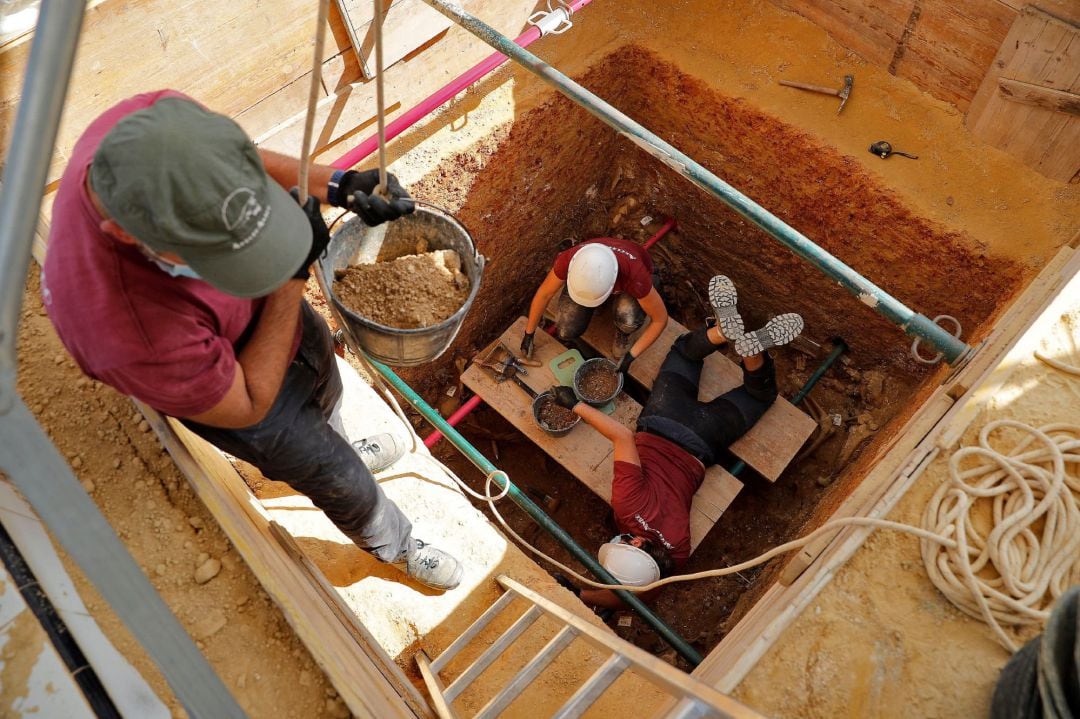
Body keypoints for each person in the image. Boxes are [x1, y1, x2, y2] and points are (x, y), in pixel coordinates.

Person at [41, 90, 463, 591]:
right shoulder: (123, 330)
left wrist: (340, 184)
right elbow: (250, 404)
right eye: (217, 254)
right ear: (130, 237)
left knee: (328, 390)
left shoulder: (147, 127)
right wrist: (290, 276)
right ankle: (396, 546)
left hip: (269, 313)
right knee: (342, 482)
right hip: (247, 394)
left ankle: (345, 443)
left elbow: (242, 160)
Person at [551, 276, 803, 607]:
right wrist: (574, 404)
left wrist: (579, 594)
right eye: (622, 541)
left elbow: (634, 596)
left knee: (759, 394)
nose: (618, 537)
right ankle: (722, 333)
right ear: (638, 545)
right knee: (685, 352)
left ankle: (750, 353)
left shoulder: (677, 555)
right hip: (664, 417)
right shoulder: (628, 508)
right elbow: (623, 436)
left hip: (705, 438)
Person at [521, 238, 668, 373]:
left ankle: (624, 333)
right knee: (566, 330)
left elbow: (660, 320)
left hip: (636, 281)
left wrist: (630, 357)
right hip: (600, 277)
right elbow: (544, 294)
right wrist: (529, 334)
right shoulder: (570, 258)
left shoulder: (635, 275)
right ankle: (589, 298)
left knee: (627, 318)